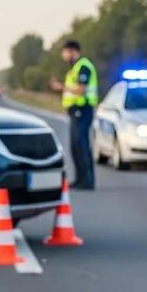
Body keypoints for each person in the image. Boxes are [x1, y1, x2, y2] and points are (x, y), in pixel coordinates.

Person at [51, 40, 99, 190]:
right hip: (75, 111)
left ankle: (87, 181)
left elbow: (80, 90)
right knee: (75, 146)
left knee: (82, 145)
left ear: (72, 51)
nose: (63, 56)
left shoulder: (83, 66)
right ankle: (80, 179)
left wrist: (61, 87)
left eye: (65, 52)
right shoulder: (74, 68)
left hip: (82, 110)